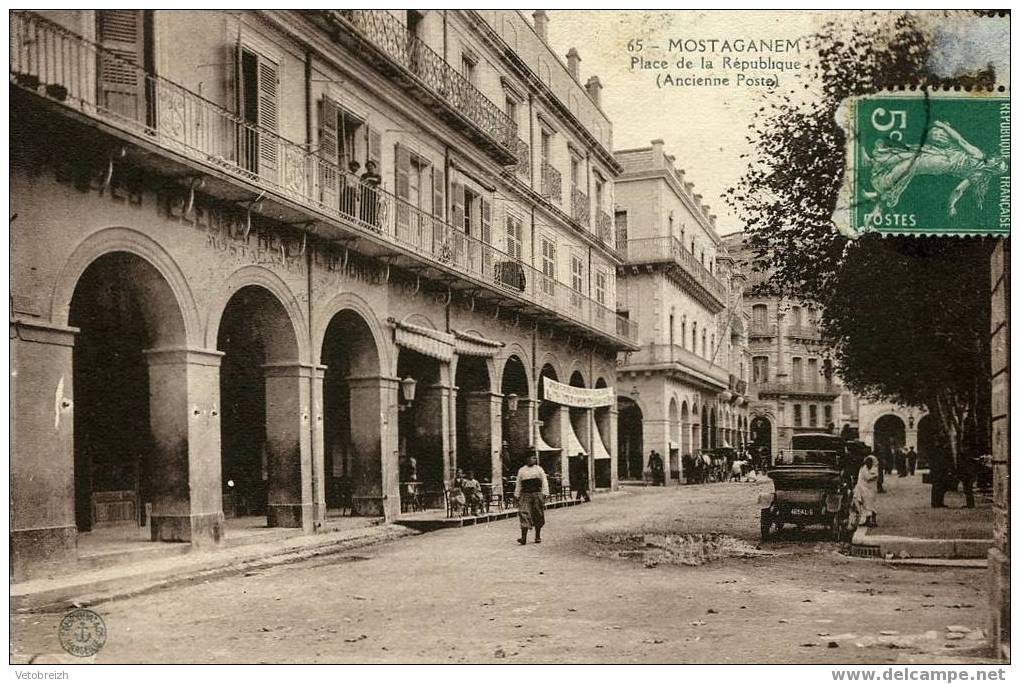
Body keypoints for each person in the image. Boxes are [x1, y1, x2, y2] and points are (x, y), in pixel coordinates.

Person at [514, 452, 549, 545]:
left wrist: (545, 493)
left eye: (533, 458)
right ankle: (523, 538)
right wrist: (517, 494)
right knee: (523, 513)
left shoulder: (539, 469)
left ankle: (537, 536)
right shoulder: (522, 470)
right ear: (526, 459)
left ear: (535, 459)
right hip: (525, 494)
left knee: (538, 514)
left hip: (537, 494)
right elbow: (518, 483)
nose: (531, 460)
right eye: (529, 458)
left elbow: (544, 481)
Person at [853, 455, 880, 527]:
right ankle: (867, 520)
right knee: (867, 505)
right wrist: (875, 476)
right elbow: (867, 477)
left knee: (870, 505)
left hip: (870, 489)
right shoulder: (864, 468)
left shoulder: (872, 468)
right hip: (863, 488)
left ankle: (871, 520)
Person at [359, 160, 382, 228]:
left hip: (373, 193)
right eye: (368, 166)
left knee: (373, 208)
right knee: (364, 208)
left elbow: (378, 181)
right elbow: (361, 183)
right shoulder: (364, 175)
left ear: (374, 167)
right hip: (366, 193)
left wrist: (369, 179)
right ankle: (363, 223)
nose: (370, 167)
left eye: (371, 166)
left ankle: (372, 224)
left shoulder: (377, 175)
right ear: (366, 168)